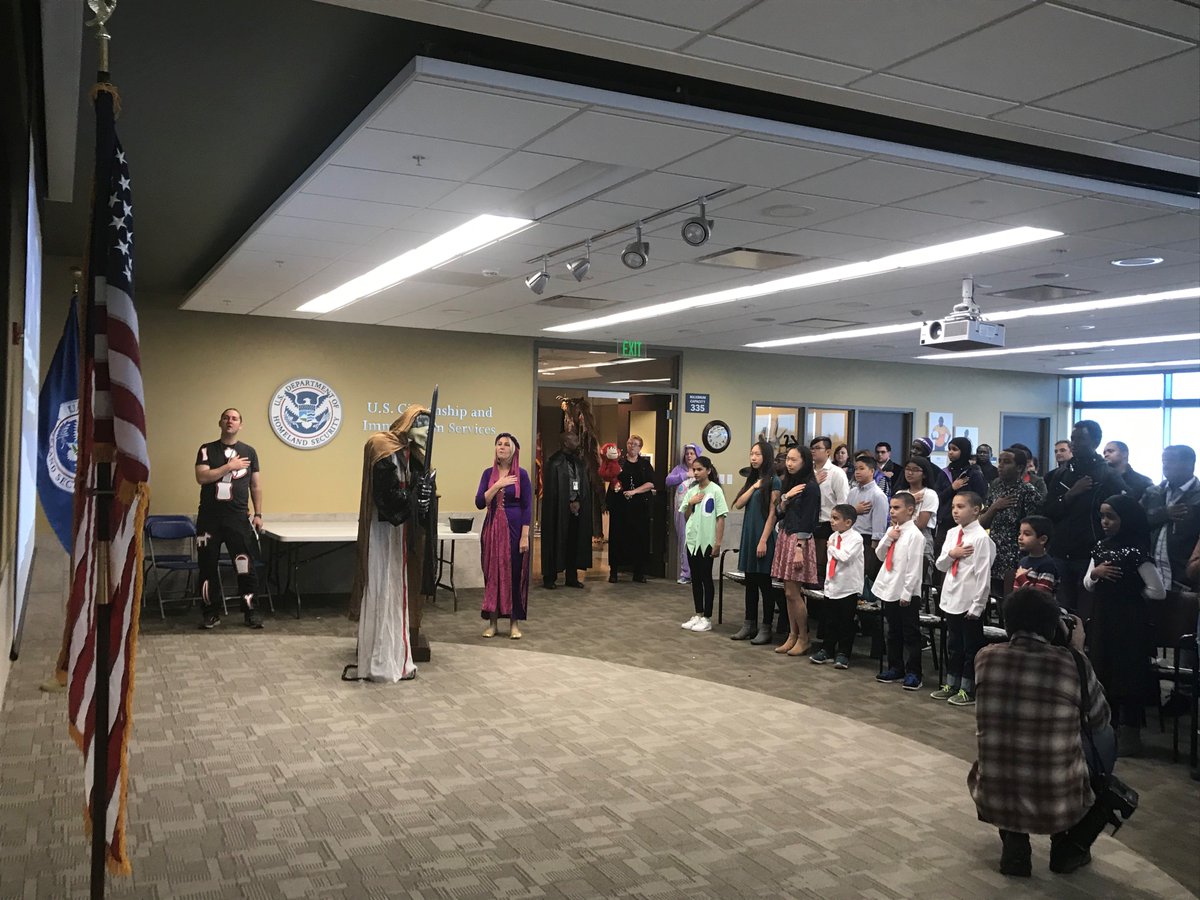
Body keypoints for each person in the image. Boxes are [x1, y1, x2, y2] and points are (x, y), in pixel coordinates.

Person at [968, 587, 1111, 878]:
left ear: (1007, 623)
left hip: (994, 794)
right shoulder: (1072, 662)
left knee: (1011, 747)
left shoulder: (984, 657)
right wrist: (1078, 650)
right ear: (1053, 625)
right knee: (1104, 741)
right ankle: (1067, 846)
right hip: (1056, 798)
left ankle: (1015, 843)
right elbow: (1100, 719)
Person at [349, 407, 436, 682]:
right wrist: (412, 496)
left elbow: (418, 498)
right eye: (421, 425)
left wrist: (424, 496)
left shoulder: (413, 456)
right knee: (382, 588)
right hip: (383, 532)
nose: (426, 432)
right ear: (407, 425)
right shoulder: (381, 446)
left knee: (396, 592)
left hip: (401, 535)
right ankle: (380, 662)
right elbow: (386, 498)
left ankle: (395, 659)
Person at [1084, 494, 1166, 756]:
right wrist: (1096, 574)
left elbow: (1157, 590)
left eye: (1112, 517)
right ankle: (1106, 727)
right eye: (1103, 516)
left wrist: (1130, 594)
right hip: (1103, 617)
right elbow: (1088, 582)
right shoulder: (1100, 547)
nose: (1105, 522)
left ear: (1126, 519)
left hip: (1129, 621)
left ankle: (1130, 734)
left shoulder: (1137, 551)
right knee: (1103, 668)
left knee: (1127, 672)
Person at [1044, 420, 1127, 615]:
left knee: (1087, 611)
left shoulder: (1107, 474)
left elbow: (1121, 513)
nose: (1074, 443)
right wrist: (1071, 494)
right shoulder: (1060, 474)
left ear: (1095, 442)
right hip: (1060, 550)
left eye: (1080, 439)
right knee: (1061, 612)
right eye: (1073, 439)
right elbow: (1047, 510)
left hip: (1089, 553)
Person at [193, 408, 264, 630]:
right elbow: (202, 477)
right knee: (207, 567)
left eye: (234, 418)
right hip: (209, 519)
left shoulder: (249, 452)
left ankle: (250, 611)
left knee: (245, 565)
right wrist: (228, 467)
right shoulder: (207, 449)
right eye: (226, 418)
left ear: (240, 424)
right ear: (220, 422)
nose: (230, 421)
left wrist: (259, 514)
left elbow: (256, 485)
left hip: (238, 519)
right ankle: (210, 613)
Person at [932, 492, 996, 707]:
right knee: (954, 644)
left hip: (969, 601)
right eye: (953, 507)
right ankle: (952, 682)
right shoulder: (952, 533)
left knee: (971, 647)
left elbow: (982, 575)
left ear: (976, 510)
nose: (955, 511)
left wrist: (978, 605)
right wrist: (953, 553)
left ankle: (968, 688)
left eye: (961, 507)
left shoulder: (980, 538)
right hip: (951, 597)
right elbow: (940, 565)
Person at [476, 434, 533, 639]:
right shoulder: (488, 474)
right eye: (499, 444)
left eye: (506, 444)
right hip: (492, 530)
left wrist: (525, 536)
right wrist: (497, 484)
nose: (501, 447)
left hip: (515, 529)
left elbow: (527, 506)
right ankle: (492, 623)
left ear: (514, 450)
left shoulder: (522, 475)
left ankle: (514, 623)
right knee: (492, 574)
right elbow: (480, 503)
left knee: (514, 574)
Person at [873, 492, 927, 690]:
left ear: (910, 510)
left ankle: (914, 673)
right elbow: (879, 555)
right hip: (889, 587)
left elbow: (913, 568)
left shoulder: (915, 536)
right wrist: (888, 537)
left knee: (910, 634)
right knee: (893, 631)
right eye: (891, 508)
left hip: (907, 592)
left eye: (897, 508)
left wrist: (906, 593)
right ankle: (896, 667)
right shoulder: (892, 530)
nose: (892, 512)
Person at [731, 440, 783, 644]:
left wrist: (763, 540)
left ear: (766, 456)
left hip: (763, 537)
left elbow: (772, 514)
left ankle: (766, 627)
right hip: (749, 536)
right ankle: (748, 624)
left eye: (758, 454)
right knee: (750, 583)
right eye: (751, 454)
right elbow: (739, 503)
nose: (753, 458)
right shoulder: (754, 480)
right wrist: (754, 485)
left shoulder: (775, 481)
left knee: (765, 584)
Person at [771, 445, 820, 655]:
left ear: (805, 462)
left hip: (799, 541)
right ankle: (792, 635)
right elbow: (779, 512)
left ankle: (803, 637)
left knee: (794, 591)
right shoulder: (790, 483)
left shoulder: (810, 486)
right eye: (788, 459)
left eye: (794, 460)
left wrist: (800, 547)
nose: (789, 464)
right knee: (787, 592)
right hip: (785, 535)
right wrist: (785, 497)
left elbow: (809, 519)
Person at [979, 448, 1043, 595]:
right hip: (993, 553)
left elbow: (1033, 529)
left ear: (1020, 467)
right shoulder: (995, 486)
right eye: (999, 461)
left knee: (1010, 600)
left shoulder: (1028, 492)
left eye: (1007, 462)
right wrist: (995, 507)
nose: (1000, 465)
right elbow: (982, 523)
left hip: (1016, 556)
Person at [810, 504, 863, 669]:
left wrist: (831, 548)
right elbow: (831, 562)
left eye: (835, 518)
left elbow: (845, 557)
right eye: (831, 517)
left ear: (848, 522)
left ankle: (843, 653)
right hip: (833, 585)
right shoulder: (833, 537)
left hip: (848, 587)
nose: (831, 521)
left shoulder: (856, 538)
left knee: (845, 622)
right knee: (830, 620)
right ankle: (827, 649)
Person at [679, 455, 727, 633]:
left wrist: (718, 542)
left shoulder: (715, 491)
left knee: (706, 578)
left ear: (708, 470)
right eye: (694, 469)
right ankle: (698, 613)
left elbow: (721, 517)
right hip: (692, 541)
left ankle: (707, 616)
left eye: (700, 469)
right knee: (695, 579)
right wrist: (690, 503)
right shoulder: (691, 491)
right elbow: (686, 515)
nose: (696, 472)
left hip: (707, 541)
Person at [1142, 444, 1200, 589]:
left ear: (1189, 464)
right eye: (1164, 461)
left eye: (1171, 461)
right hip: (1151, 576)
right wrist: (1164, 514)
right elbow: (1135, 523)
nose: (1165, 466)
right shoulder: (1152, 492)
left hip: (1186, 578)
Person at [540, 431, 593, 590]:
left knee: (574, 541)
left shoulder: (579, 463)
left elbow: (582, 485)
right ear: (565, 442)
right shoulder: (553, 463)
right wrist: (566, 503)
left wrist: (577, 501)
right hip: (558, 510)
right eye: (574, 439)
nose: (577, 441)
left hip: (577, 509)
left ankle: (572, 577)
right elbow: (551, 491)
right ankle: (550, 577)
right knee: (556, 539)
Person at [607, 434, 656, 583]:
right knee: (617, 538)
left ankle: (639, 572)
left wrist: (634, 492)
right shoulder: (619, 463)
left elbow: (651, 483)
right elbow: (610, 478)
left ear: (640, 447)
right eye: (629, 443)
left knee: (639, 539)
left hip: (639, 508)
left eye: (635, 444)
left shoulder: (645, 465)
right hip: (620, 507)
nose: (632, 446)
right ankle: (614, 571)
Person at [937, 436, 987, 554]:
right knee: (942, 555)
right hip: (945, 522)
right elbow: (938, 497)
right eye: (949, 449)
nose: (950, 452)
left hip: (967, 523)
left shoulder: (973, 474)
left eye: (955, 449)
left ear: (964, 451)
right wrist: (952, 488)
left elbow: (981, 497)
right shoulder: (944, 473)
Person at [810, 436, 849, 585]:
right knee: (810, 571)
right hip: (809, 524)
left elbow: (842, 503)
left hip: (828, 525)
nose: (813, 451)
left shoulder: (836, 473)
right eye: (812, 448)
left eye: (817, 448)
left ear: (828, 451)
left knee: (823, 570)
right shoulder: (808, 472)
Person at [847, 454, 888, 581]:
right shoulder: (853, 491)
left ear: (871, 471)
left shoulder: (878, 495)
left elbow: (879, 525)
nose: (857, 472)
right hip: (850, 537)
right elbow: (845, 513)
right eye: (856, 469)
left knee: (863, 575)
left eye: (861, 468)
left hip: (867, 539)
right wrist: (854, 511)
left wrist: (874, 548)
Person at [666, 443, 700, 584]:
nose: (689, 456)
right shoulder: (679, 469)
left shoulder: (700, 469)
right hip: (681, 510)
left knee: (697, 541)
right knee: (684, 541)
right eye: (687, 453)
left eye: (692, 453)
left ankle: (697, 573)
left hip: (697, 511)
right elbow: (668, 481)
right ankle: (686, 573)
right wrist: (685, 475)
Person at [901, 455, 940, 567]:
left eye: (915, 470)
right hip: (899, 536)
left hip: (921, 537)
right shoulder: (900, 493)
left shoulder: (929, 494)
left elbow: (921, 524)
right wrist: (911, 500)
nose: (910, 473)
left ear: (924, 474)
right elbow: (893, 521)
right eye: (908, 469)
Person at [1013, 516, 1061, 599]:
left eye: (1027, 534)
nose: (1020, 537)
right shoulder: (1023, 561)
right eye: (1020, 533)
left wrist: (1022, 579)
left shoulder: (1047, 565)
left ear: (1042, 539)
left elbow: (1040, 599)